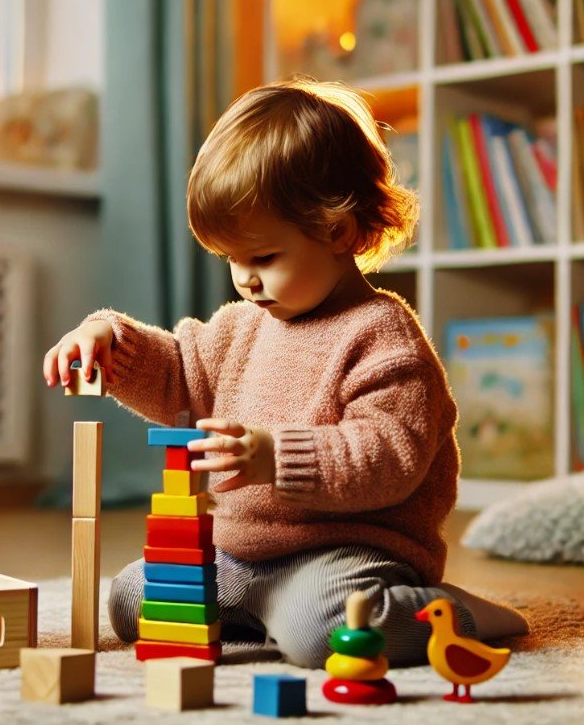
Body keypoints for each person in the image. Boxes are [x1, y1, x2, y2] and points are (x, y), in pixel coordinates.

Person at [43, 77, 528, 668]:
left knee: (323, 632)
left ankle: (458, 612)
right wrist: (111, 342)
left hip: (348, 555)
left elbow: (390, 456)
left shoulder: (382, 334)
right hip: (241, 555)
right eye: (232, 260)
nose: (245, 279)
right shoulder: (240, 326)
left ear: (338, 233)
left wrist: (277, 456)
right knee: (134, 599)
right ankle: (263, 622)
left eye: (264, 258)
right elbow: (178, 373)